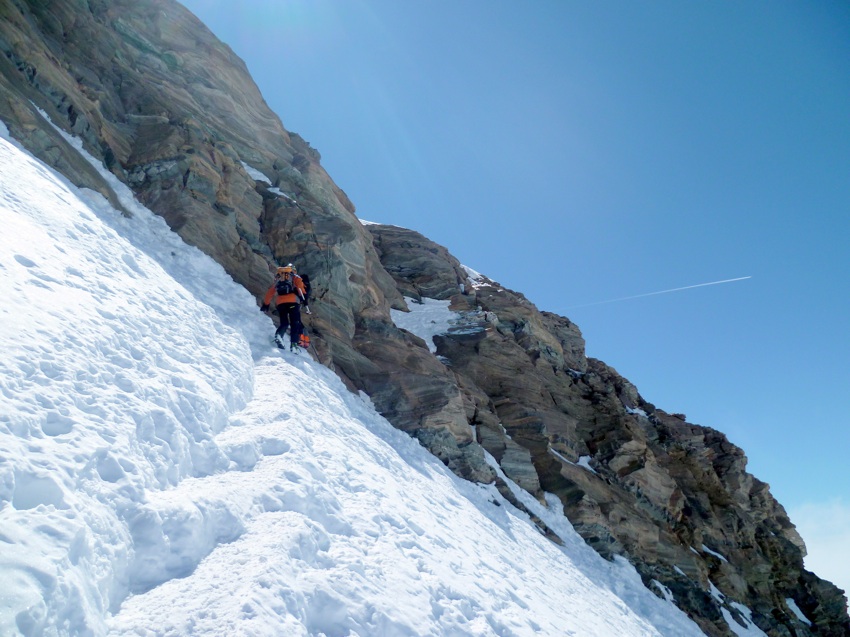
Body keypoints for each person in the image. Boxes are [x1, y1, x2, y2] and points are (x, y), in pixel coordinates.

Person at [260, 265, 307, 350]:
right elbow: (301, 290)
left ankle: (279, 335)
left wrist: (266, 304)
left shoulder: (279, 278)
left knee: (284, 322)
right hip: (293, 302)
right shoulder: (295, 278)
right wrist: (304, 299)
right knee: (295, 323)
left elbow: (270, 292)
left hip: (280, 303)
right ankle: (294, 345)